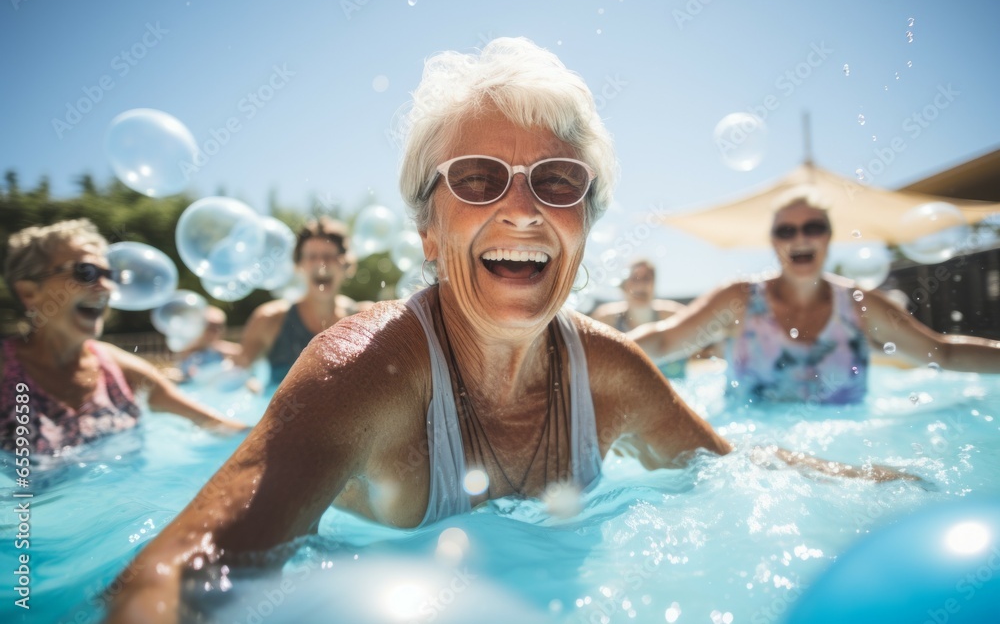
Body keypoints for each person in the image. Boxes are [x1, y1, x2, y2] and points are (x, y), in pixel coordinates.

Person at [107, 38, 914, 621]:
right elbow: (170, 578)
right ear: (429, 229)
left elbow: (738, 478)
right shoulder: (357, 376)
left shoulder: (612, 377)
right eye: (478, 178)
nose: (522, 207)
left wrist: (885, 484)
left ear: (587, 225)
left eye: (558, 181)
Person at [629, 187, 1000, 404]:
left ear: (828, 236)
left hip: (849, 459)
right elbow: (663, 341)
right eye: (786, 231)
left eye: (813, 227)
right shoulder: (738, 301)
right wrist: (579, 352)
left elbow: (943, 353)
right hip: (757, 461)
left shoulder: (860, 305)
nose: (800, 237)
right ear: (774, 242)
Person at [0, 219, 247, 456]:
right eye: (86, 271)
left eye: (110, 276)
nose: (107, 287)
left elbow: (217, 425)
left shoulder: (118, 368)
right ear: (29, 292)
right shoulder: (5, 370)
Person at [234, 216, 368, 386]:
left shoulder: (364, 321)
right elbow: (235, 376)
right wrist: (250, 384)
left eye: (329, 256)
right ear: (299, 265)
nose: (321, 264)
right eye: (312, 256)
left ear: (347, 264)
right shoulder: (270, 319)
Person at [590, 259, 688, 377]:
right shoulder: (606, 319)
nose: (641, 285)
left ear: (654, 284)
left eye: (646, 278)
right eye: (634, 278)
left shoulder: (675, 315)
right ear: (624, 285)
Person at [174, 306, 241, 382]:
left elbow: (245, 353)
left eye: (219, 327)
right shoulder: (186, 347)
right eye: (211, 327)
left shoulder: (220, 349)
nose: (216, 331)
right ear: (199, 326)